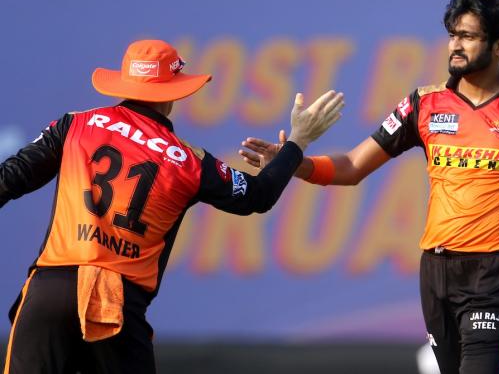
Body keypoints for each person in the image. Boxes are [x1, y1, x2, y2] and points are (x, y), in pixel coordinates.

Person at [239, 0, 499, 374]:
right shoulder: (423, 105)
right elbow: (351, 168)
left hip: (495, 276)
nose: (455, 45)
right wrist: (294, 162)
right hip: (435, 274)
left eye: (468, 36)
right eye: (452, 35)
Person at [0, 39, 344, 374]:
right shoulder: (189, 161)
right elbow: (258, 195)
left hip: (49, 291)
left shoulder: (75, 124)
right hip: (116, 304)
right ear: (175, 94)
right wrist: (298, 141)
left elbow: (10, 177)